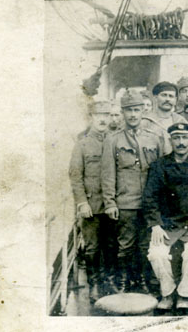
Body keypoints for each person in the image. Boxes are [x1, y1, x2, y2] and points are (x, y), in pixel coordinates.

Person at [143, 123, 188, 311]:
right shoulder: (159, 166)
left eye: (185, 138)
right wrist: (155, 225)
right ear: (171, 141)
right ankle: (167, 293)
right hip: (166, 223)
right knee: (156, 254)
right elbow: (150, 198)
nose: (181, 142)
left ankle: (184, 294)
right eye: (176, 138)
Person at [101, 91, 166, 293]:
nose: (133, 115)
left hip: (149, 203)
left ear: (142, 111)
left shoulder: (154, 138)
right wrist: (110, 202)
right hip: (126, 202)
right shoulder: (112, 140)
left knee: (145, 244)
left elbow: (162, 172)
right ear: (122, 113)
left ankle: (142, 281)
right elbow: (108, 173)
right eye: (128, 110)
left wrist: (162, 202)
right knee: (125, 245)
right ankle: (124, 282)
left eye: (136, 110)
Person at [69, 101, 118, 301]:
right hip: (91, 205)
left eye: (106, 115)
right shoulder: (82, 144)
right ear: (91, 117)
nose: (103, 119)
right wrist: (82, 203)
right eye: (98, 115)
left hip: (113, 204)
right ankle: (94, 284)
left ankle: (109, 282)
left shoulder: (115, 140)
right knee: (92, 247)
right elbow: (75, 176)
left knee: (112, 245)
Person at [141, 81, 188, 154]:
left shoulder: (181, 121)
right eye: (164, 95)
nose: (167, 99)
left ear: (175, 100)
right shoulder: (145, 122)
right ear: (155, 98)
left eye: (171, 96)